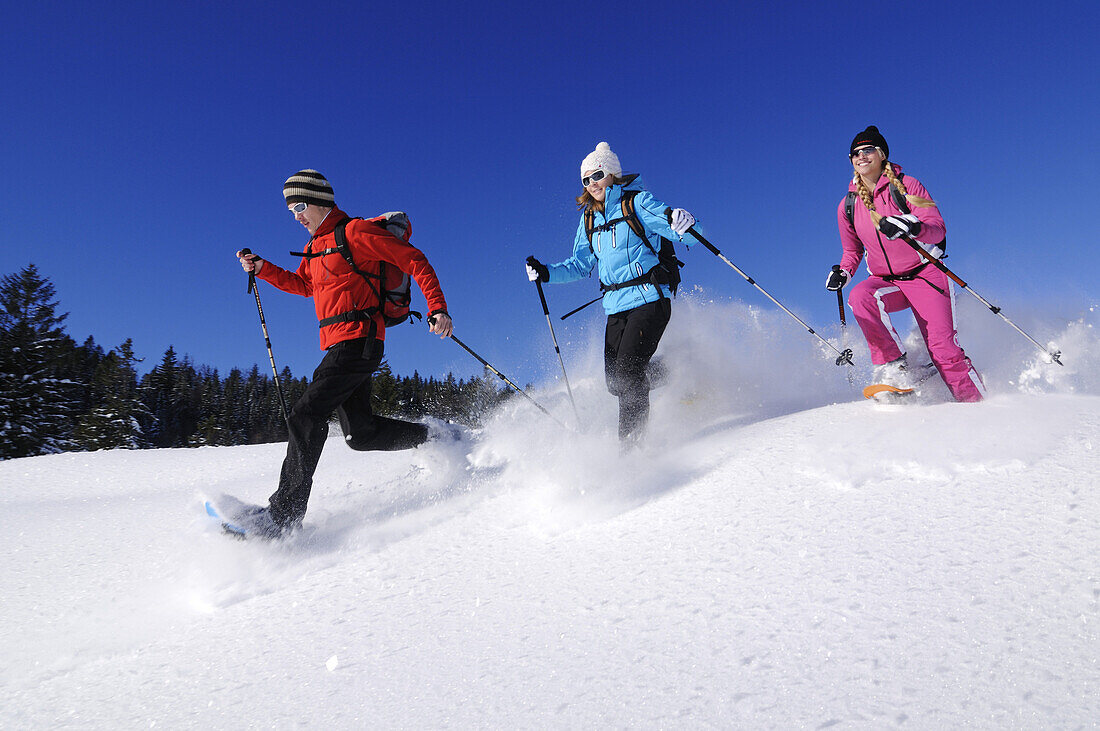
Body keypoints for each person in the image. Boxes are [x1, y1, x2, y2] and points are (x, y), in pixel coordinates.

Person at [235, 169, 453, 536]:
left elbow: (413, 259)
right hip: (340, 344)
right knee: (360, 435)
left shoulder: (354, 232)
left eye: (301, 206)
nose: (297, 216)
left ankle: (282, 519)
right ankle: (433, 437)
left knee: (305, 414)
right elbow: (304, 285)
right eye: (291, 211)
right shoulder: (314, 247)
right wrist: (263, 268)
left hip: (360, 340)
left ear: (321, 200)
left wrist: (438, 307)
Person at [525, 142, 696, 443]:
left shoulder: (638, 202)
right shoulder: (589, 220)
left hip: (649, 299)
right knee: (616, 383)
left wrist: (685, 224)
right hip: (615, 307)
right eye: (585, 180)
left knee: (629, 375)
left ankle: (631, 450)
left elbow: (681, 232)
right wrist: (546, 272)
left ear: (614, 174)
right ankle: (676, 369)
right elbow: (579, 264)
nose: (592, 184)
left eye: (598, 175)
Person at [826, 126, 984, 402]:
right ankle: (895, 368)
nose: (861, 156)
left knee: (943, 351)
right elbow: (852, 250)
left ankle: (977, 404)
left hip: (927, 275)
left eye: (868, 150)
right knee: (860, 296)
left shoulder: (908, 185)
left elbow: (937, 228)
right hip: (889, 282)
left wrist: (912, 226)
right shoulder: (847, 205)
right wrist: (844, 272)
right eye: (855, 153)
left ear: (882, 153)